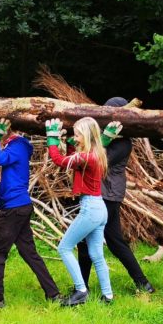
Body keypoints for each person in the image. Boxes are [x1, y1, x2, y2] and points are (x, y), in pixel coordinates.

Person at [0, 118, 62, 308]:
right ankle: (53, 294)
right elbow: (16, 176)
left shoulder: (16, 145)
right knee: (29, 253)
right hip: (20, 206)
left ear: (9, 129)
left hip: (13, 209)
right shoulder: (20, 147)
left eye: (1, 128)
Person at [76, 97, 155, 294]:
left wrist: (100, 138)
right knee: (95, 241)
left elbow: (98, 160)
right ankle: (141, 283)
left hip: (108, 195)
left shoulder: (123, 145)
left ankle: (141, 283)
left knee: (111, 241)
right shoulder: (106, 140)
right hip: (99, 194)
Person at [45, 117, 114, 306]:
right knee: (97, 254)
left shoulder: (86, 157)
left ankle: (81, 290)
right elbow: (72, 161)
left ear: (86, 135)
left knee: (64, 248)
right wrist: (69, 144)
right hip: (99, 207)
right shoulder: (96, 154)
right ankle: (108, 296)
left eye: (77, 135)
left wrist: (51, 138)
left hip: (90, 209)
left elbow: (60, 161)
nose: (75, 138)